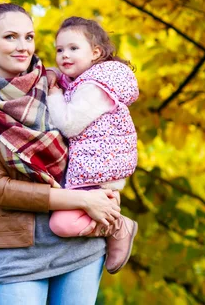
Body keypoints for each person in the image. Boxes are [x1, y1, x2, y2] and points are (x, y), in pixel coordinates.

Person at [0, 4, 121, 305]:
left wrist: (108, 191)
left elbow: (106, 137)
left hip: (79, 239)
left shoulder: (59, 83)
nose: (23, 47)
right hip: (17, 251)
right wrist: (82, 199)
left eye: (29, 37)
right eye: (11, 37)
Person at [47, 16, 139, 274]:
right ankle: (111, 218)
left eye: (73, 48)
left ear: (96, 52)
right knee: (61, 219)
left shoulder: (95, 86)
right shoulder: (82, 80)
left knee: (61, 225)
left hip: (98, 171)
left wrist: (53, 93)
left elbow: (69, 124)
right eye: (59, 50)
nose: (65, 55)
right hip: (93, 168)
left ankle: (118, 226)